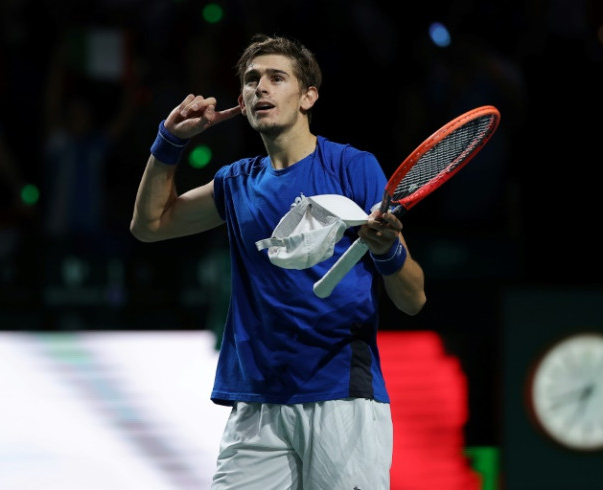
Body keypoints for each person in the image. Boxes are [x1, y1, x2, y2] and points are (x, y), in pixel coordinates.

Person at [130, 34, 426, 489]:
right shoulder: (237, 182)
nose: (259, 88)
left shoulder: (353, 167)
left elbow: (413, 299)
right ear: (243, 103)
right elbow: (150, 224)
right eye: (251, 81)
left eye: (275, 78)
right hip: (257, 406)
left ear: (308, 96)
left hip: (340, 398)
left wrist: (388, 250)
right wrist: (169, 141)